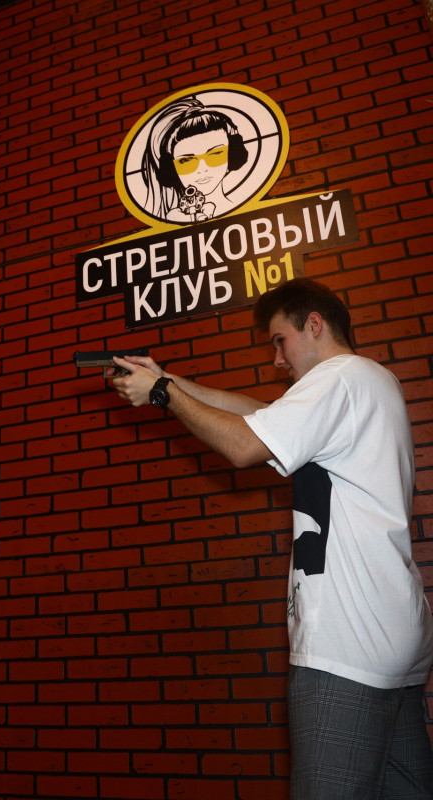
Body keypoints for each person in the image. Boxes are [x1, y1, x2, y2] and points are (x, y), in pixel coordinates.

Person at [112, 278, 433, 799]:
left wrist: (163, 395)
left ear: (315, 325)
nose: (278, 360)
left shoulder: (340, 377)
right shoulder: (371, 381)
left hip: (348, 646)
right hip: (392, 639)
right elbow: (256, 415)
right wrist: (167, 378)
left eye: (280, 341)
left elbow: (243, 444)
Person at [140, 96, 249, 223]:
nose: (202, 169)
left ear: (232, 155)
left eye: (215, 154)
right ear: (171, 170)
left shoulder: (244, 210)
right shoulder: (173, 217)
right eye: (186, 160)